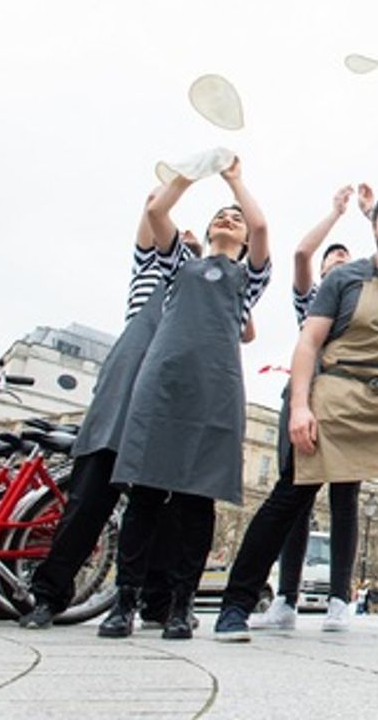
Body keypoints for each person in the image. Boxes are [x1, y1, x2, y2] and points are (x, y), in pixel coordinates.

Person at [213, 190, 378, 642]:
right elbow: (309, 342)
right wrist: (300, 407)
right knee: (290, 497)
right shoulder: (343, 279)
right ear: (375, 227)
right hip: (339, 391)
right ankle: (236, 604)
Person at [101, 159, 272, 640]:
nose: (230, 220)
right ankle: (124, 603)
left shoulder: (250, 280)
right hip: (163, 386)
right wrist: (189, 173)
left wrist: (236, 180)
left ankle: (181, 606)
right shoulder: (179, 264)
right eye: (222, 215)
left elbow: (260, 225)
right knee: (145, 497)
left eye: (234, 218)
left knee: (196, 504)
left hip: (215, 393)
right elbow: (158, 213)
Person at [19, 190, 203, 631]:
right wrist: (174, 184)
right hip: (123, 398)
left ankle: (157, 602)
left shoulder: (203, 296)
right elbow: (151, 213)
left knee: (160, 510)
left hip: (166, 401)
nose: (187, 240)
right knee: (86, 504)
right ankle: (49, 595)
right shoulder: (150, 272)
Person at [254, 184, 370, 634]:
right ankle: (286, 596)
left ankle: (339, 599)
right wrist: (336, 215)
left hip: (347, 404)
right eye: (332, 258)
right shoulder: (313, 298)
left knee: (346, 499)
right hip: (303, 398)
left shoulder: (360, 301)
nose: (338, 260)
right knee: (294, 496)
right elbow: (302, 253)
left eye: (346, 258)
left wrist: (369, 213)